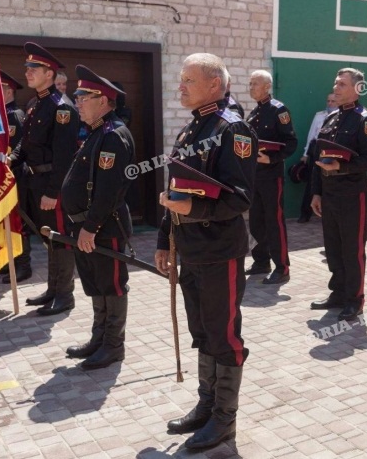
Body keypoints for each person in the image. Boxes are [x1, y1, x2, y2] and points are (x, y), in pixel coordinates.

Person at [155, 53, 256, 450]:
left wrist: (193, 210)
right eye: (181, 80)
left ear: (215, 84)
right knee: (202, 331)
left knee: (223, 335)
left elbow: (240, 198)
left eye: (188, 80)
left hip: (219, 251)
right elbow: (174, 191)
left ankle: (224, 420)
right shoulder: (190, 129)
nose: (180, 86)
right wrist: (164, 240)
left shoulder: (234, 129)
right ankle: (206, 406)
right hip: (190, 249)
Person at [61, 65, 135, 369]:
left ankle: (113, 346)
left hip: (104, 226)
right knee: (95, 283)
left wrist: (90, 227)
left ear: (103, 100)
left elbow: (109, 190)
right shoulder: (97, 133)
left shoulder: (113, 136)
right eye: (77, 97)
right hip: (87, 225)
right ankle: (99, 339)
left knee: (112, 284)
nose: (77, 102)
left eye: (83, 97)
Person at [9, 43, 79, 315]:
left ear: (49, 73)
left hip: (51, 183)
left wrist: (53, 192)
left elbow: (65, 156)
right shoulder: (36, 104)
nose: (27, 72)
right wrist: (11, 159)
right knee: (49, 238)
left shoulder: (62, 108)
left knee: (60, 239)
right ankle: (53, 289)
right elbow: (26, 144)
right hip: (34, 182)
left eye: (33, 69)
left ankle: (65, 295)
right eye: (27, 68)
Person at [309, 68, 367, 322]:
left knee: (352, 248)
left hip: (351, 194)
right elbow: (319, 157)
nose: (335, 88)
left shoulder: (365, 120)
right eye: (335, 83)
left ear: (357, 88)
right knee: (333, 247)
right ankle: (338, 293)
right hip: (329, 193)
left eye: (341, 84)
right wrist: (316, 193)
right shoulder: (331, 118)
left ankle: (354, 300)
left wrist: (341, 167)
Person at [244, 69, 298, 284]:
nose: (251, 87)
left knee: (274, 221)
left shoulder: (279, 110)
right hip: (254, 175)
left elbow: (291, 142)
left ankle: (282, 267)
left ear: (267, 86)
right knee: (256, 220)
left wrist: (272, 158)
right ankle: (261, 261)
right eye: (250, 83)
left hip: (271, 175)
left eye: (254, 84)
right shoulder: (254, 113)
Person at [0, 71, 32, 281]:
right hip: (2, 177)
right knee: (5, 219)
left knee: (18, 220)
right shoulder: (0, 114)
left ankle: (23, 265)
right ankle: (9, 260)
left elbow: (20, 149)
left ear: (9, 91)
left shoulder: (15, 116)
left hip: (15, 176)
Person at [298, 93, 338, 223]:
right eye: (328, 101)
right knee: (312, 181)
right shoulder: (320, 115)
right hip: (317, 149)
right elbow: (311, 135)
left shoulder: (341, 116)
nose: (330, 103)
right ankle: (305, 213)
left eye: (333, 101)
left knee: (331, 181)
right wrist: (305, 154)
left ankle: (329, 214)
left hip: (333, 151)